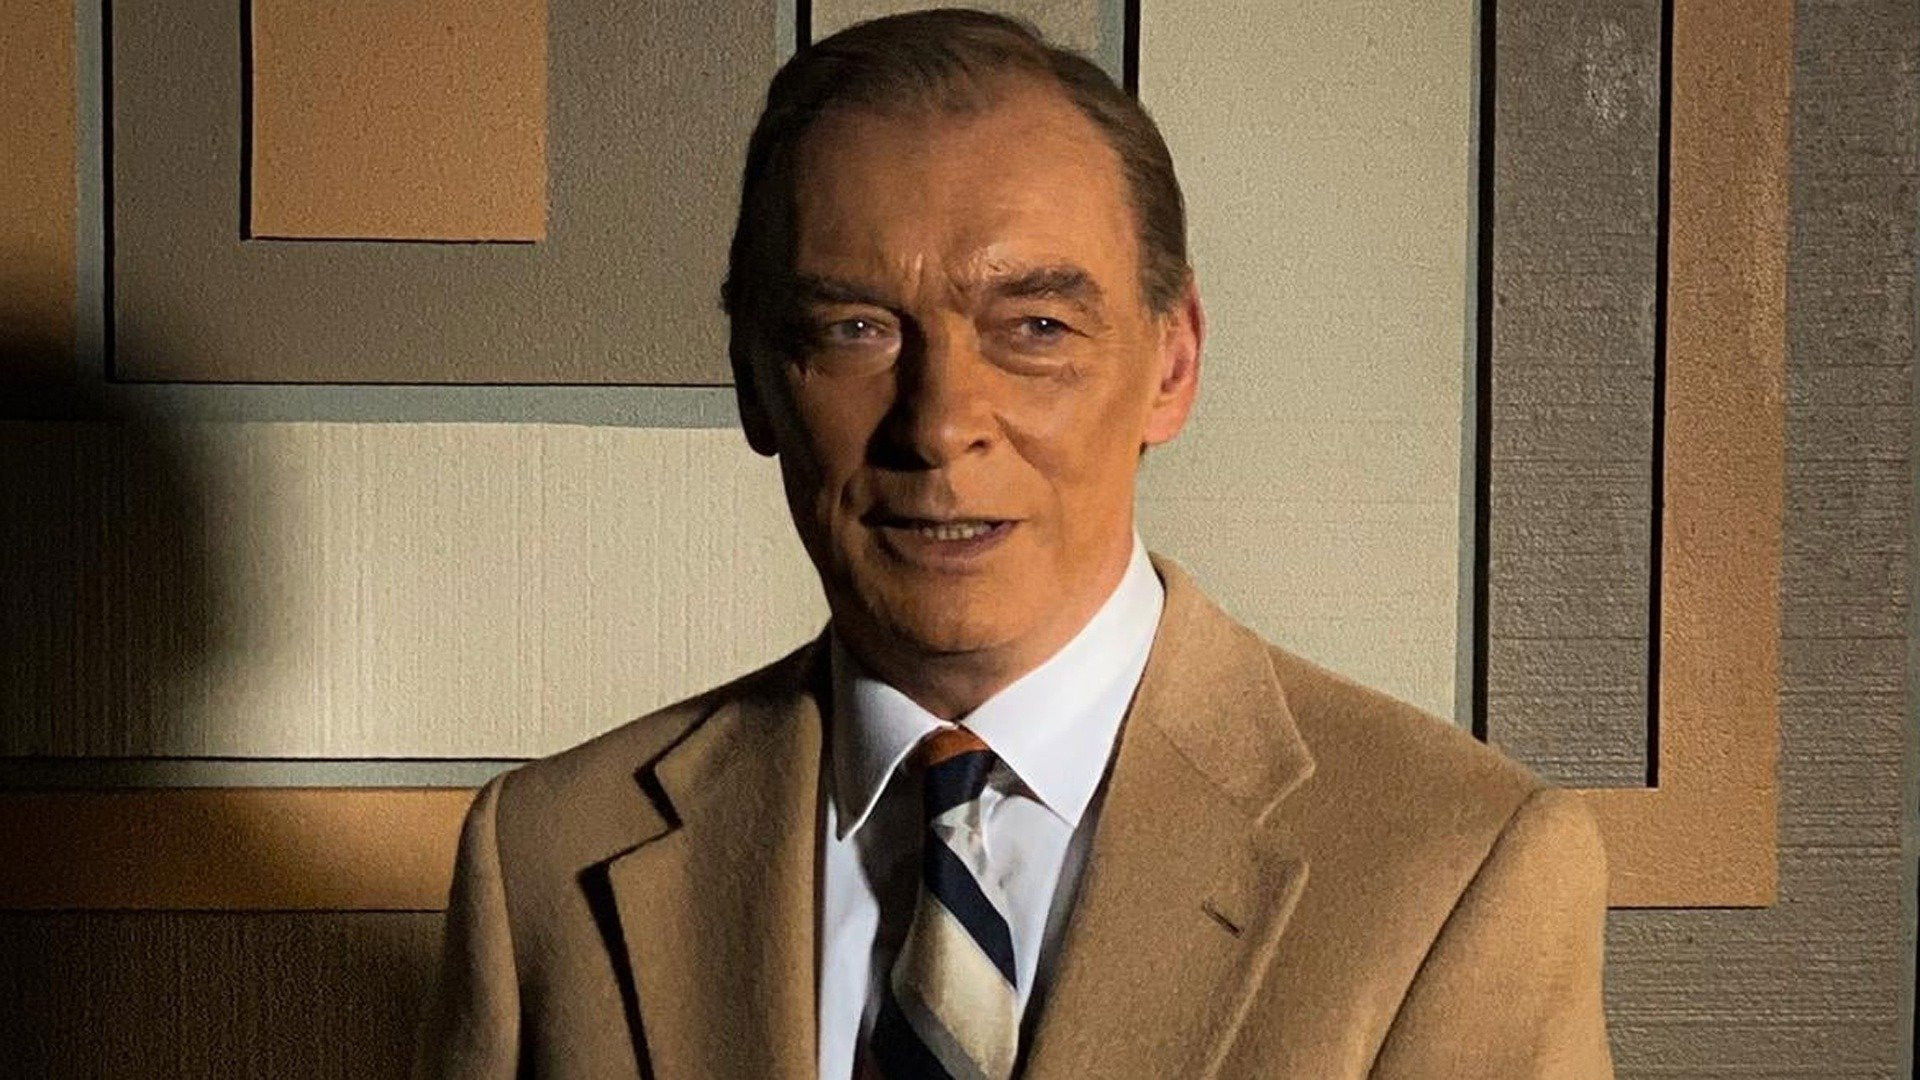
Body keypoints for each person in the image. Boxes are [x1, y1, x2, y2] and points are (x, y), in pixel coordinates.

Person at [413, 9, 1613, 1079]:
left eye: (1035, 326)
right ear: (753, 379)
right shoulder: (547, 858)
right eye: (856, 329)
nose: (941, 424)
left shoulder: (1457, 869)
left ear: (1172, 364)